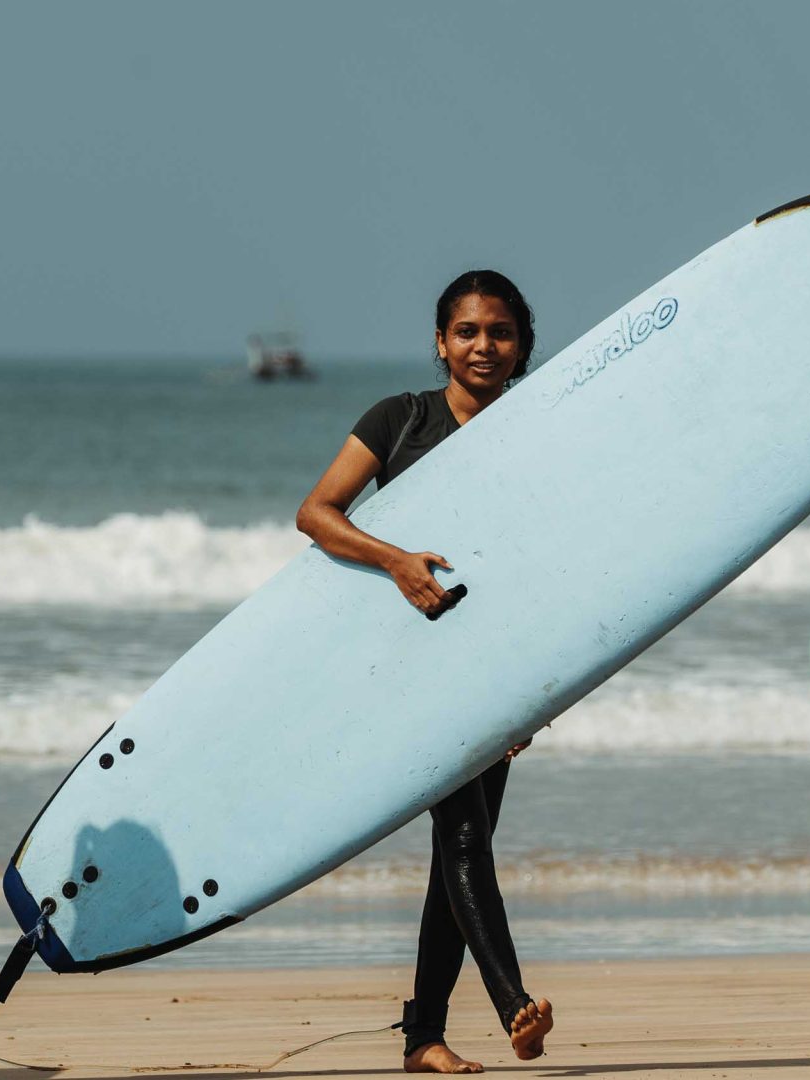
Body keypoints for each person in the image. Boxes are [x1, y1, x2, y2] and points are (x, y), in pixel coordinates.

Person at [296, 270, 552, 1074]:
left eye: (500, 332)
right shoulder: (399, 420)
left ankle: (423, 1039)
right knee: (466, 834)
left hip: (491, 666)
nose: (484, 346)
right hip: (406, 663)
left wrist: (538, 691)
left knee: (458, 854)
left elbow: (548, 565)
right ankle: (514, 1003)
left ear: (523, 345)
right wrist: (397, 560)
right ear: (441, 342)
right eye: (468, 331)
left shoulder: (542, 427)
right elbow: (318, 513)